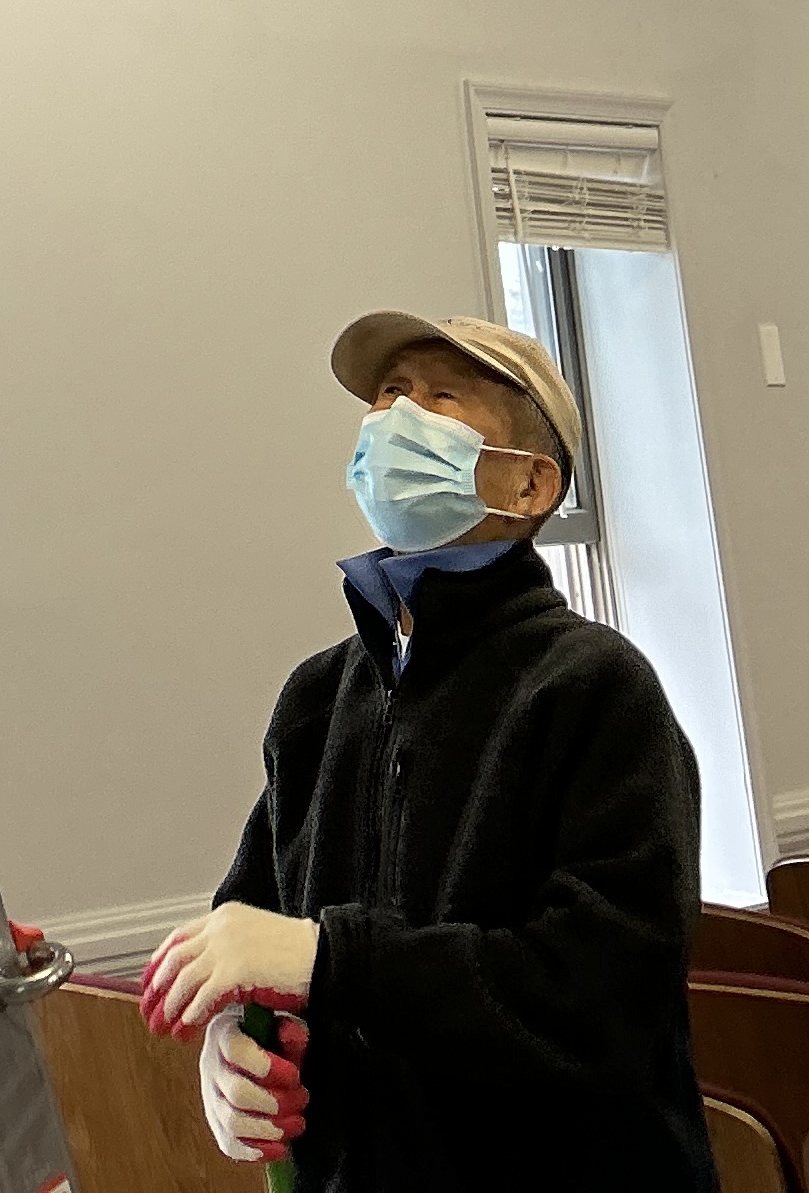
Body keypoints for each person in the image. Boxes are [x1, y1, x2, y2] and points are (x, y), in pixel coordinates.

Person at [143, 310, 720, 1191]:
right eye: (389, 393)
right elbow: (254, 931)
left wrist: (333, 962)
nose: (397, 418)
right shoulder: (316, 698)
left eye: (442, 398)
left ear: (530, 483)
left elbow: (604, 992)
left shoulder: (593, 687)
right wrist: (232, 1053)